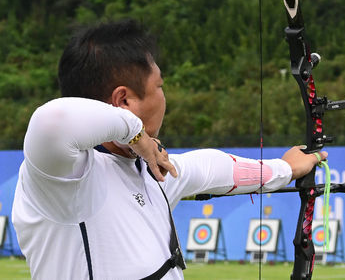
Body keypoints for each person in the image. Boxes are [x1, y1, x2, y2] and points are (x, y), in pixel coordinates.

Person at [12, 19, 326, 279]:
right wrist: (138, 135)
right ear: (124, 101)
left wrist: (285, 168)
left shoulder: (153, 171)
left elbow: (207, 167)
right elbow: (52, 121)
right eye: (159, 86)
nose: (164, 98)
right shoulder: (62, 176)